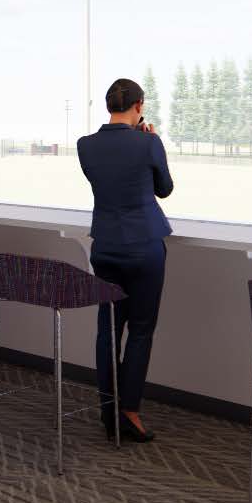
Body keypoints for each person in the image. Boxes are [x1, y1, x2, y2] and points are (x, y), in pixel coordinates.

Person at [77, 78, 173, 443]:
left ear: (108, 106)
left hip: (104, 245)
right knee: (141, 329)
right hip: (144, 245)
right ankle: (129, 410)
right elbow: (163, 188)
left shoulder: (85, 146)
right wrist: (149, 140)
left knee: (108, 330)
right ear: (140, 105)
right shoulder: (148, 142)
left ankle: (107, 410)